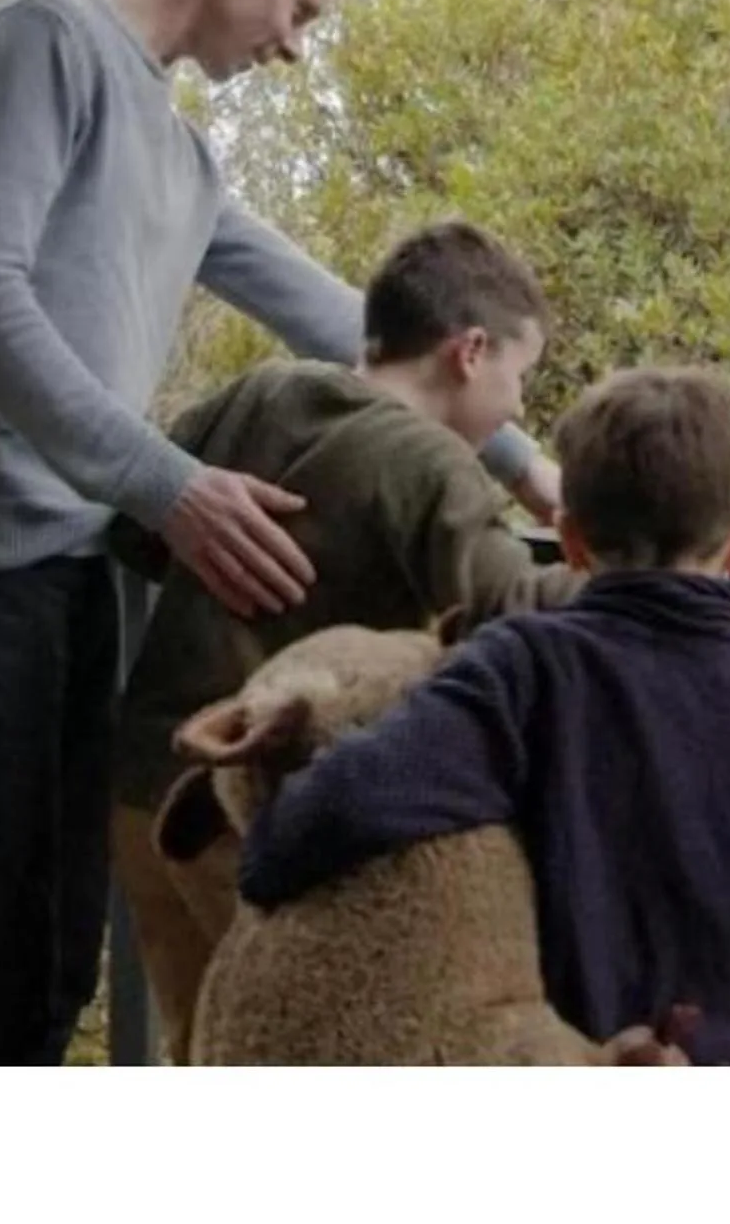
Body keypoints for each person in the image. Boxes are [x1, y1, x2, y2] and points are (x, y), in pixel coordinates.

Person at [0, 0, 559, 1066]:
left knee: (52, 956)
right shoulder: (39, 39)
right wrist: (168, 488)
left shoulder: (181, 158)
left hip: (79, 572)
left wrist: (532, 469)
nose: (293, 46)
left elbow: (349, 319)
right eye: (300, 8)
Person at [237, 366, 730, 1066]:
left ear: (570, 543)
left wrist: (268, 844)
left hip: (565, 1046)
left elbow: (354, 795)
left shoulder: (524, 669)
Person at [106, 219, 579, 1062]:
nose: (516, 407)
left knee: (202, 1042)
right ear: (469, 350)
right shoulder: (432, 465)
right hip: (246, 809)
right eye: (520, 373)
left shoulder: (262, 391)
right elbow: (510, 606)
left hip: (144, 787)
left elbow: (135, 532)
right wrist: (645, 566)